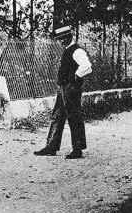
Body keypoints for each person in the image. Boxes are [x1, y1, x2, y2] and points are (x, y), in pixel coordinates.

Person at [34, 25, 92, 159]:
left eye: (63, 38)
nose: (61, 41)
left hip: (71, 88)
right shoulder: (68, 50)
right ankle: (51, 146)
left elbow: (87, 67)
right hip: (63, 88)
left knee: (74, 116)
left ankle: (77, 149)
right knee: (58, 115)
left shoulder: (77, 51)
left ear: (69, 37)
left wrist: (76, 76)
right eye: (59, 39)